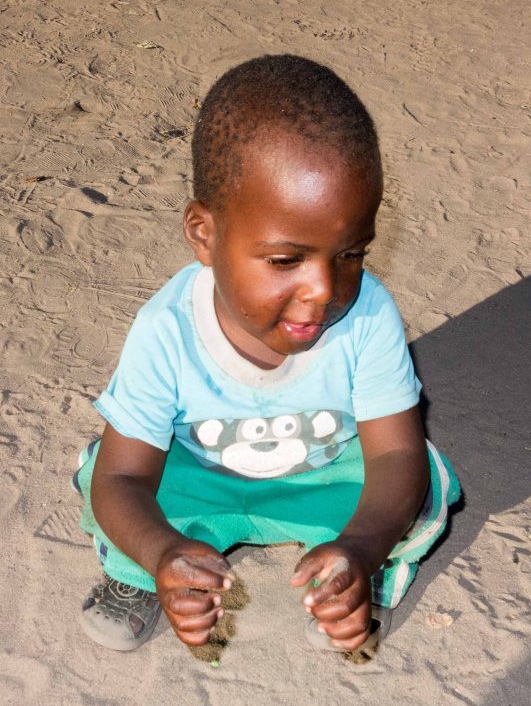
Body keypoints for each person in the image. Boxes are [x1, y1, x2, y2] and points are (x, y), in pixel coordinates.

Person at [73, 54, 460, 653]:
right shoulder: (165, 329)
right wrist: (162, 552)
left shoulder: (369, 314)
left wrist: (361, 548)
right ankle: (144, 577)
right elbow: (124, 476)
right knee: (116, 483)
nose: (324, 289)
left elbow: (394, 453)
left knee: (414, 485)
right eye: (285, 260)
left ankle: (355, 581)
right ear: (204, 234)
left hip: (322, 475)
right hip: (201, 472)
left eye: (351, 254)